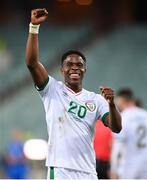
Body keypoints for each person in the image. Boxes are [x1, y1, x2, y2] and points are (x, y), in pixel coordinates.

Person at [25, 8, 122, 180]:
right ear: (62, 70)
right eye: (69, 64)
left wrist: (112, 104)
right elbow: (32, 63)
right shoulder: (52, 89)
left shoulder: (96, 99)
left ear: (85, 70)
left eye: (79, 64)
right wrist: (34, 27)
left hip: (89, 171)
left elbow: (116, 127)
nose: (75, 67)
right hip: (61, 169)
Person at [110, 88, 147, 179]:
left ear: (122, 101)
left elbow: (117, 148)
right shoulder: (145, 114)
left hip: (128, 168)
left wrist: (113, 169)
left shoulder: (123, 118)